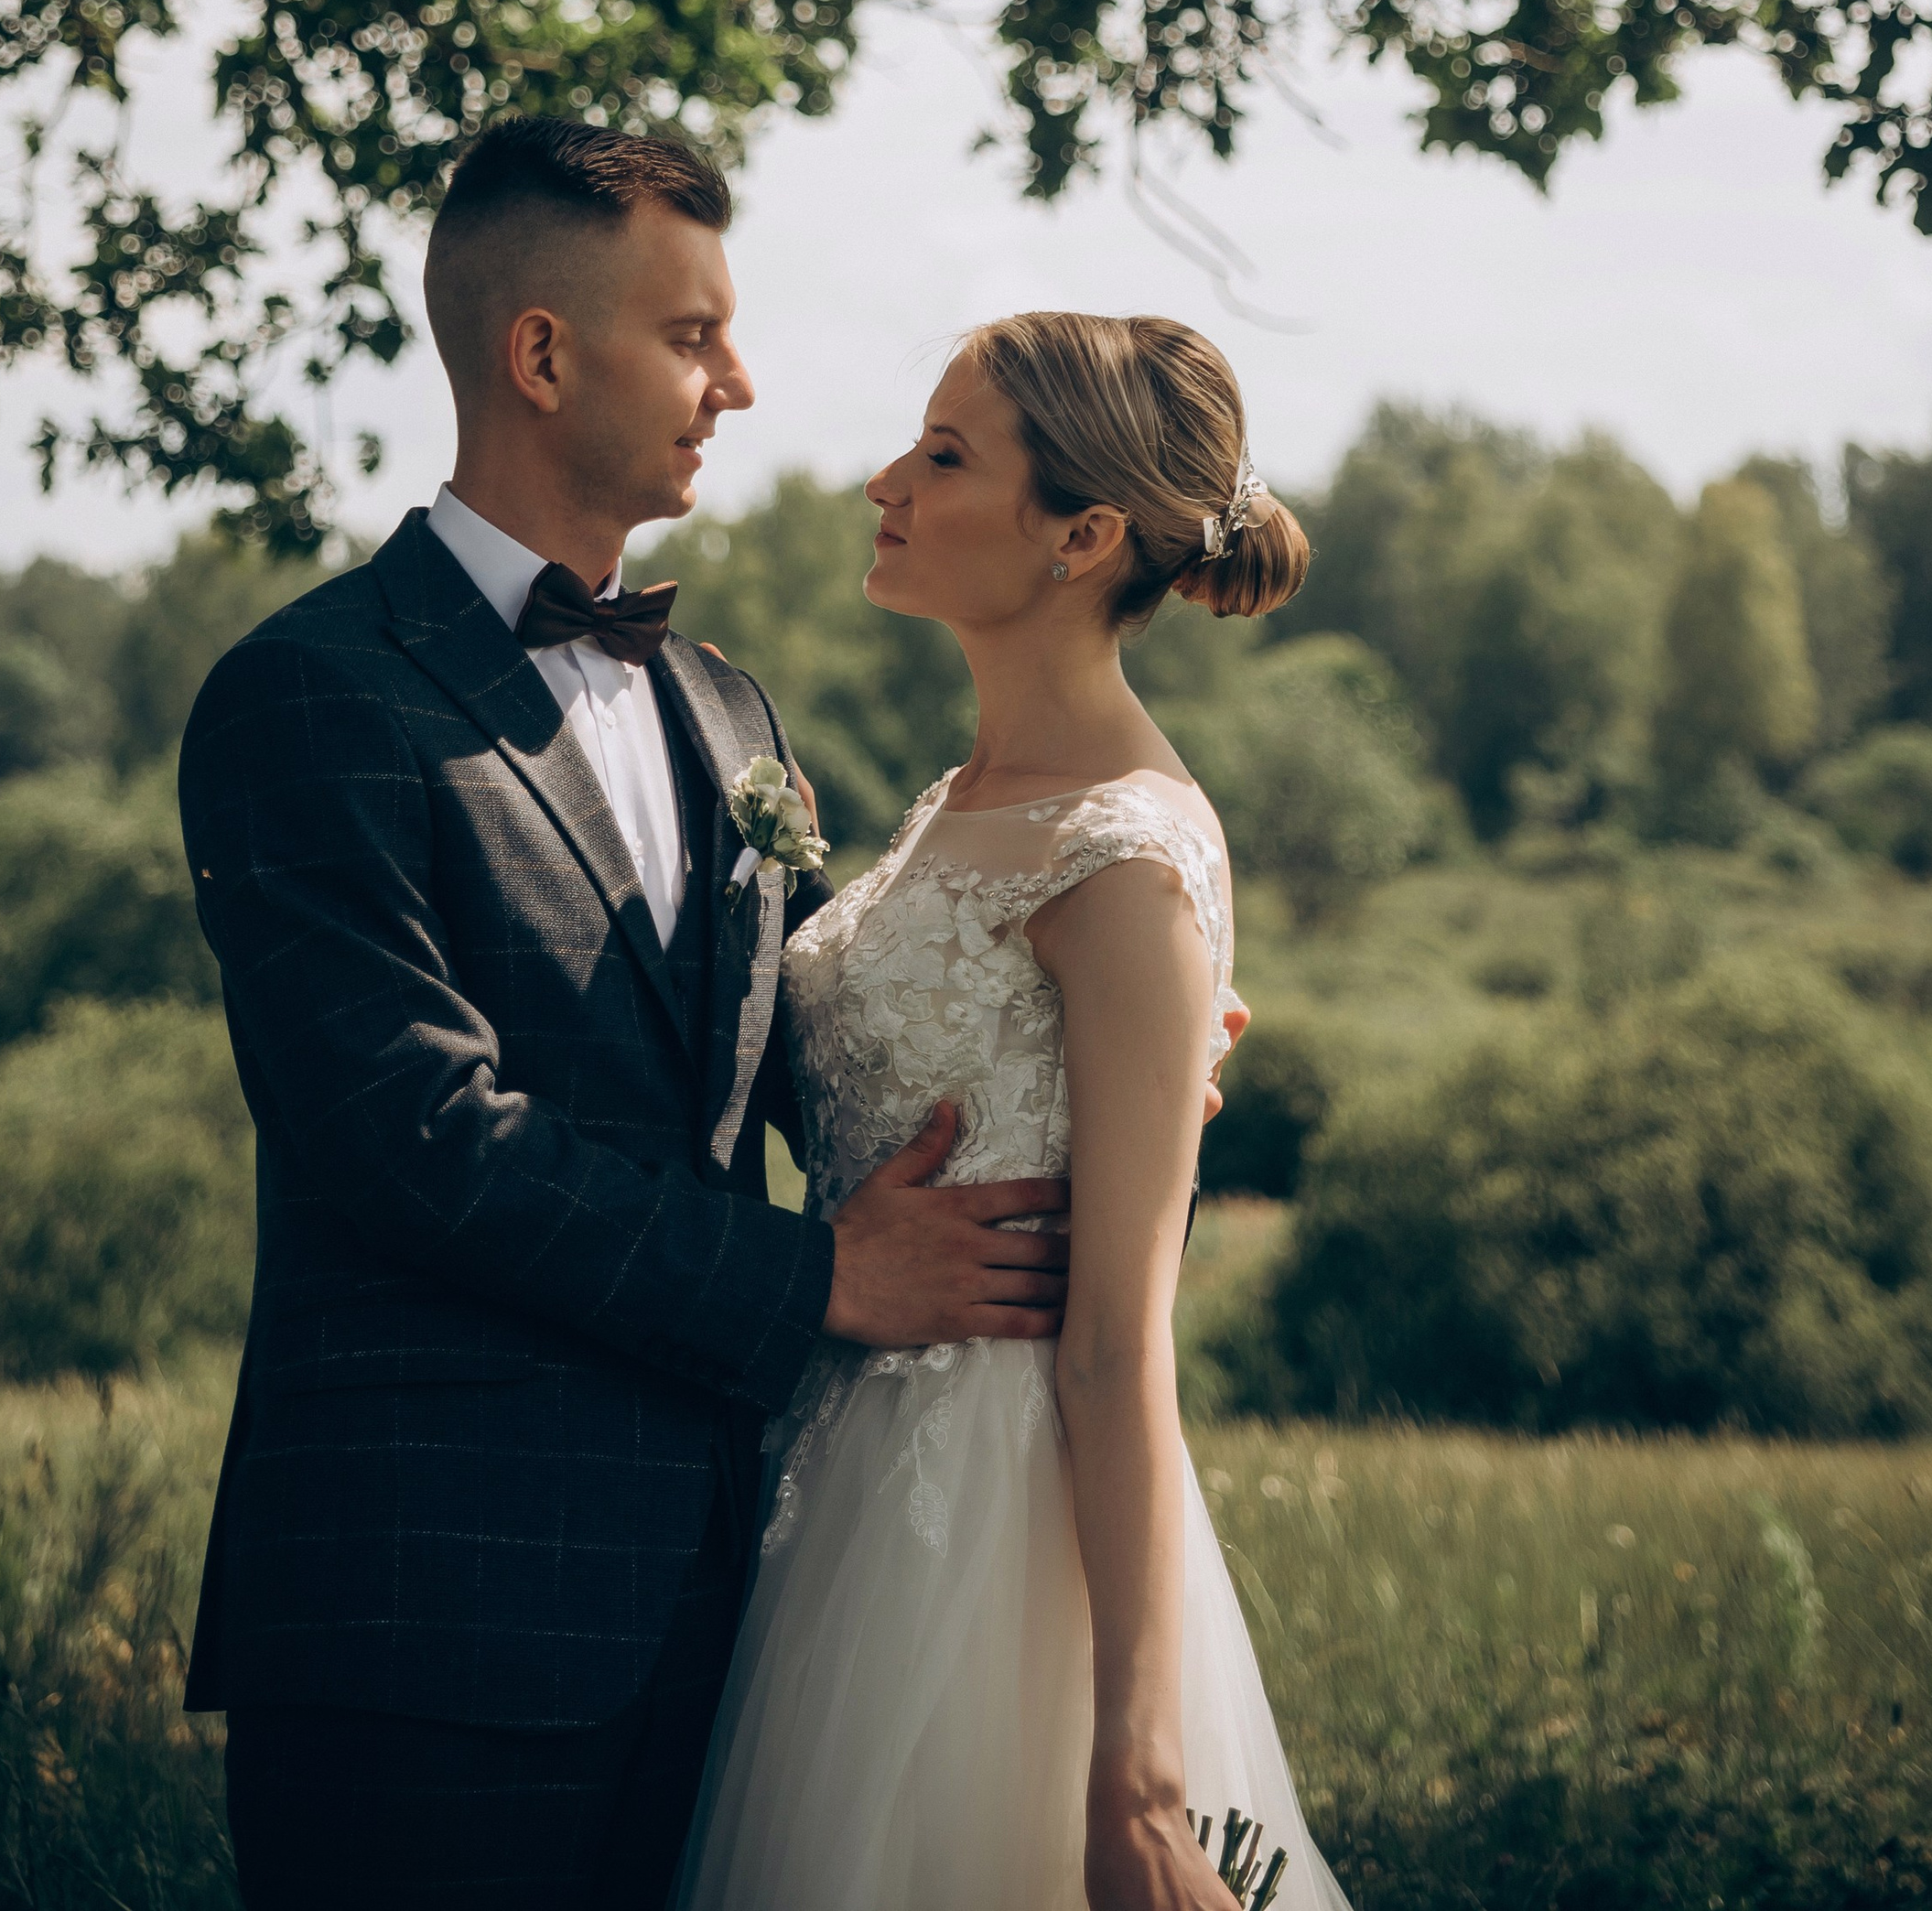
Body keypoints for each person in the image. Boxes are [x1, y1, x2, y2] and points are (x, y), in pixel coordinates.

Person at [179, 121, 1095, 1907]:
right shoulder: (306, 698)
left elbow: (841, 1025)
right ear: (539, 354)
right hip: (420, 1636)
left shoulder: (732, 713)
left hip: (740, 1619)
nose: (738, 384)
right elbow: (413, 1141)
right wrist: (810, 1278)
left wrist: (1097, 996)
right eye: (691, 336)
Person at [676, 311, 1347, 1911]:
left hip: (992, 1532)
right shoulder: (955, 805)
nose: (882, 480)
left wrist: (1140, 1772)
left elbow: (1120, 1342)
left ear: (1085, 536)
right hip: (819, 1482)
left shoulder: (1127, 862)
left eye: (945, 456)